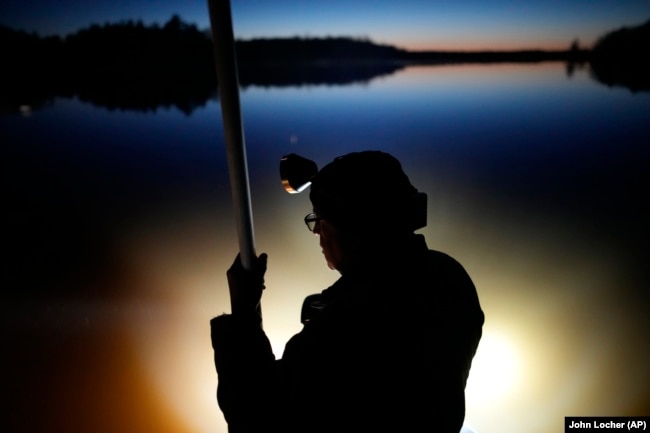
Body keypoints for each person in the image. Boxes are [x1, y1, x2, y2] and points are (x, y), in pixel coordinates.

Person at [211, 151, 484, 433]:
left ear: (349, 227)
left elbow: (258, 416)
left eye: (320, 219)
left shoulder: (343, 327)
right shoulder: (449, 279)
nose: (317, 231)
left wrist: (243, 315)